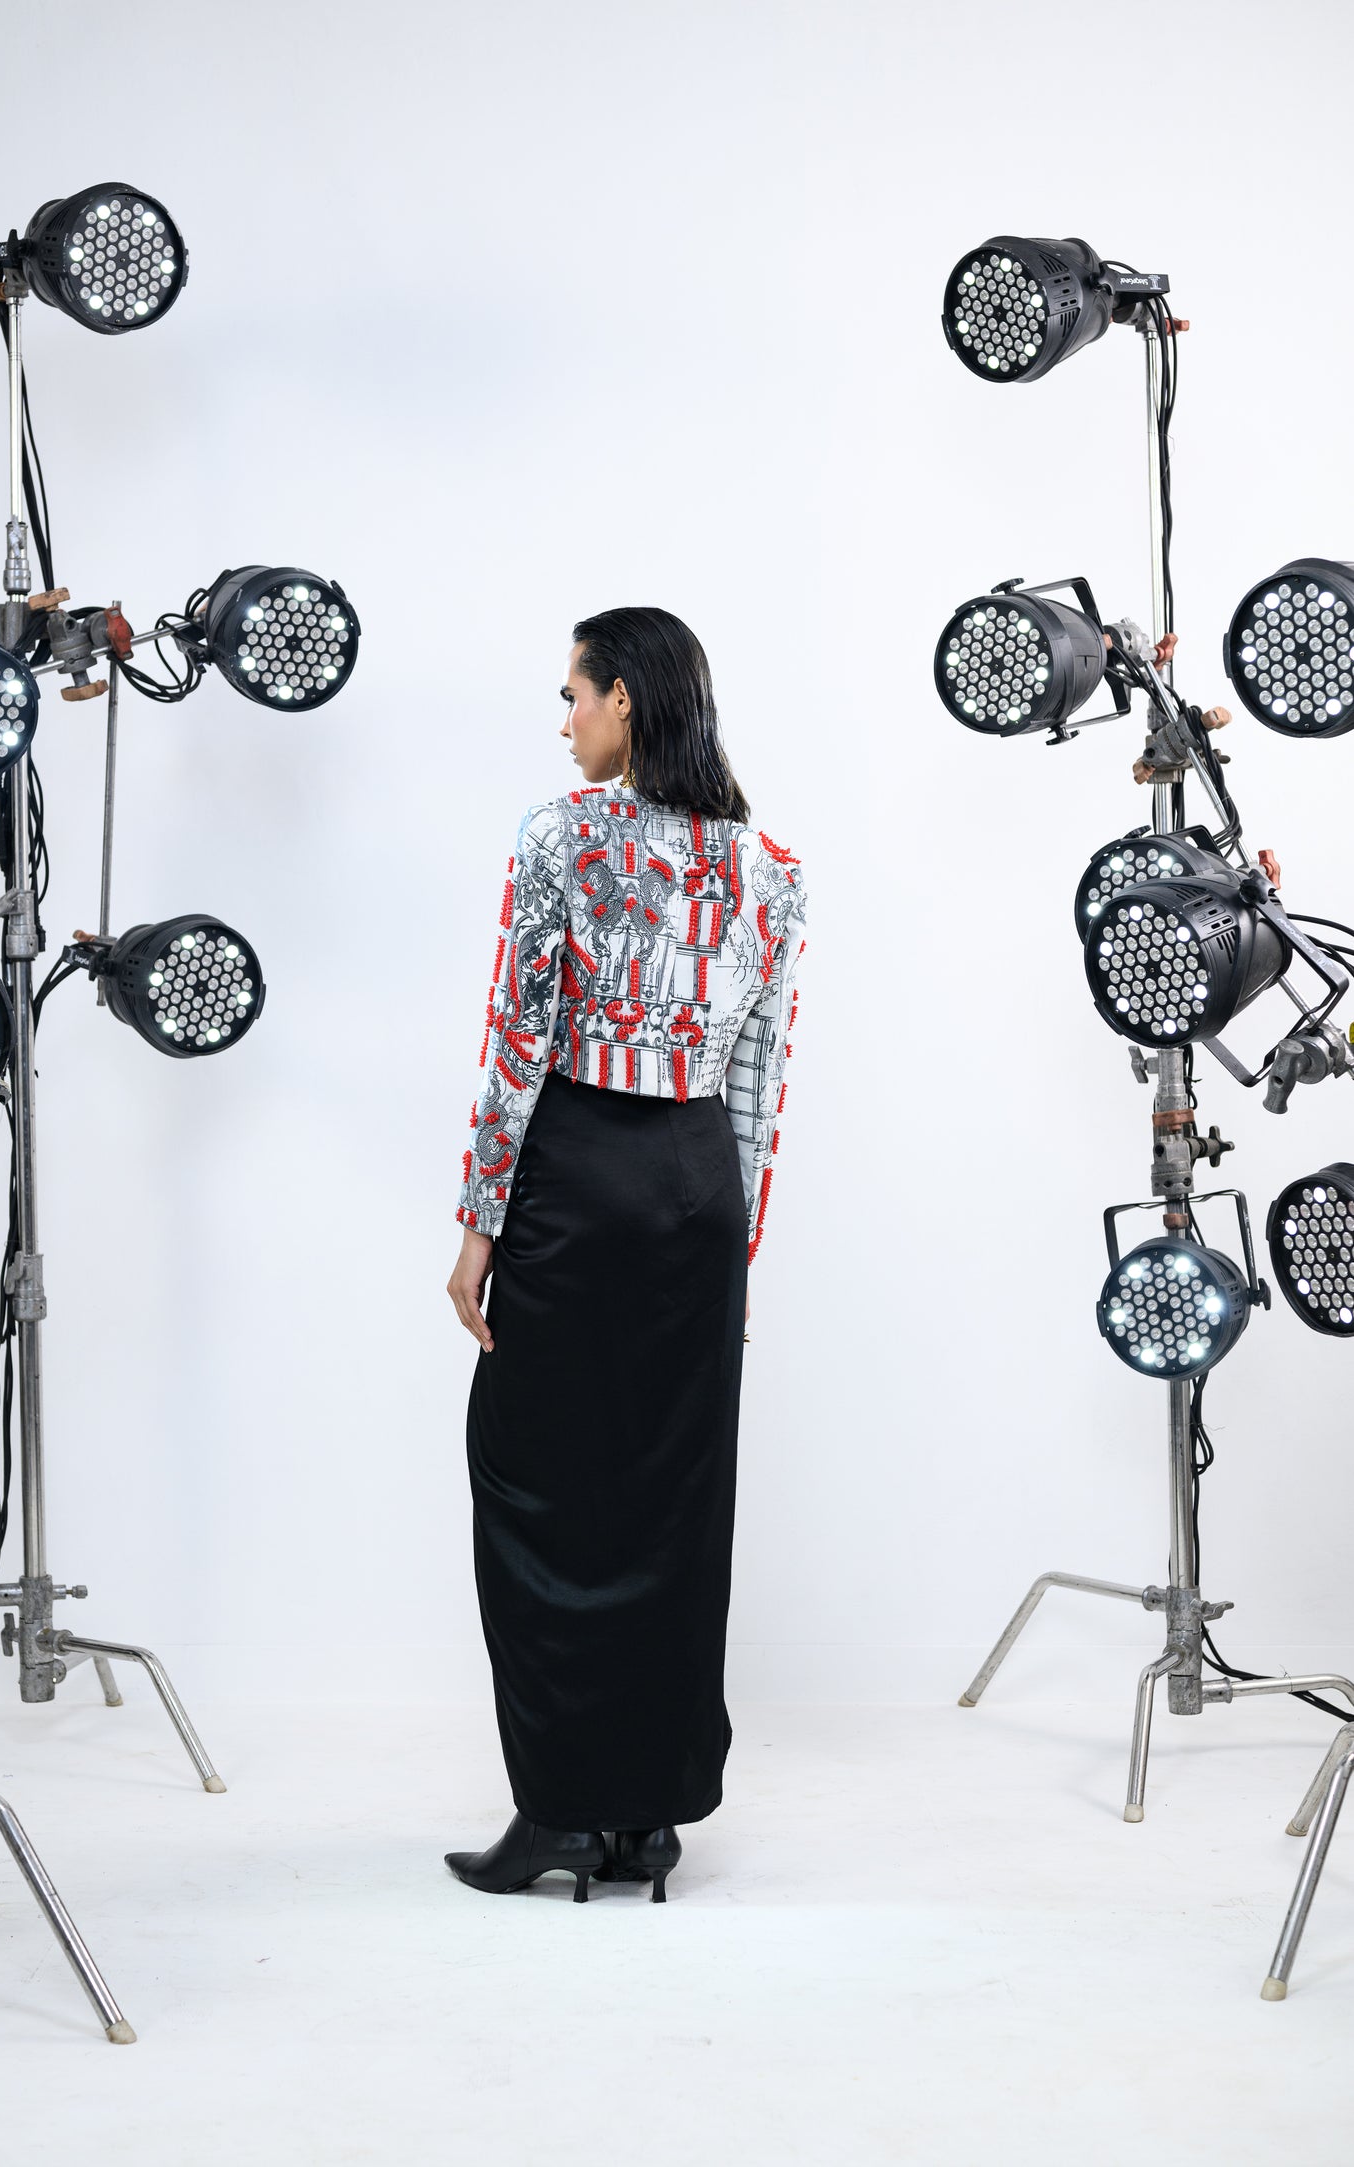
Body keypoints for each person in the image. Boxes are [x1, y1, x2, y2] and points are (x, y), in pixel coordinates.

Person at [444, 606, 807, 1903]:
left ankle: (556, 1810)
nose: (564, 722)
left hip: (581, 1175)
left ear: (625, 705)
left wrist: (478, 1226)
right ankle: (645, 1817)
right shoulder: (769, 863)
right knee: (668, 1494)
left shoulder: (562, 837)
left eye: (573, 696)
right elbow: (760, 1082)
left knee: (539, 1480)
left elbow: (514, 1035)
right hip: (698, 1189)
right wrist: (737, 1258)